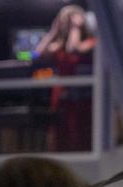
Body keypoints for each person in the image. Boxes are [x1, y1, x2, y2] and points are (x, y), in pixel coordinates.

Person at [36, 4, 97, 152]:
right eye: (65, 22)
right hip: (62, 98)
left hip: (83, 98)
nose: (67, 26)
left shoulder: (91, 41)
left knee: (81, 136)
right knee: (61, 136)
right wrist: (53, 31)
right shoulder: (58, 45)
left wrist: (75, 28)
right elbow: (38, 54)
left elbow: (73, 49)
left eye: (70, 22)